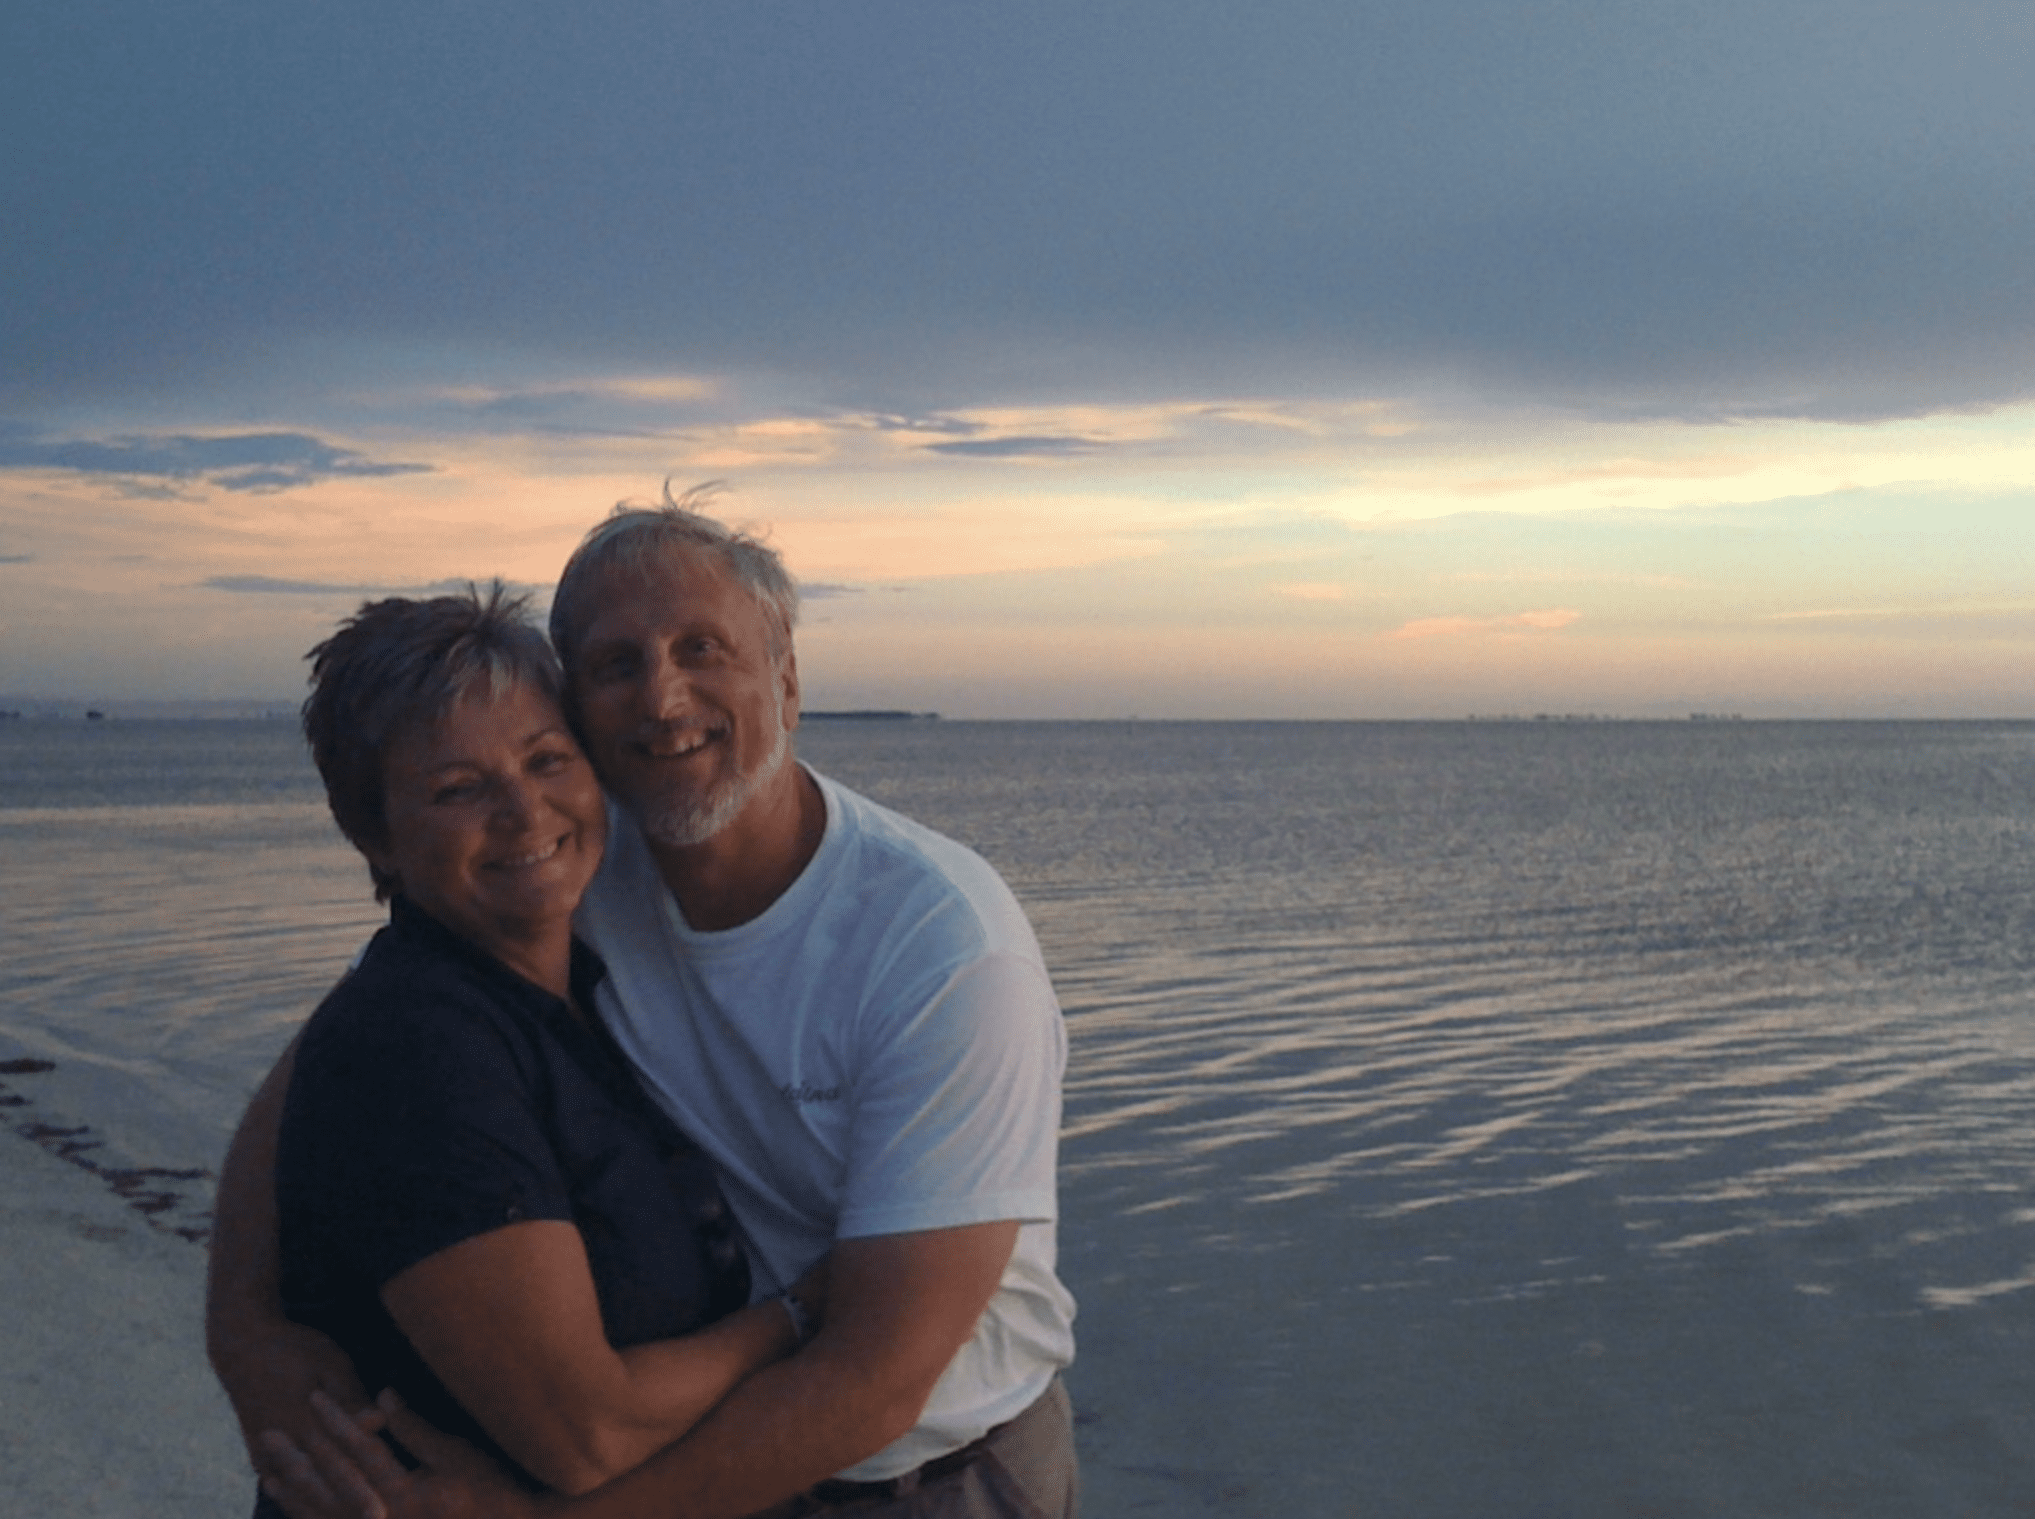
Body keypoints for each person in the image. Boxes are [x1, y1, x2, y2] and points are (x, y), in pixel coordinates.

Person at [210, 489, 1079, 1519]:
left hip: (927, 1476)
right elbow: (342, 1058)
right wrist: (247, 1329)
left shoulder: (937, 948)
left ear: (788, 679)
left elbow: (876, 1378)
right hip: (713, 1461)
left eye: (702, 649)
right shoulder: (577, 863)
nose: (662, 699)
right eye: (617, 665)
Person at [214, 585, 825, 1518]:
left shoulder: (580, 965)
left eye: (547, 759)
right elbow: (586, 1431)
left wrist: (242, 1310)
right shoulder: (418, 1041)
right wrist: (799, 1313)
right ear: (371, 830)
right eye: (458, 790)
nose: (523, 813)